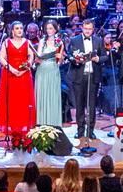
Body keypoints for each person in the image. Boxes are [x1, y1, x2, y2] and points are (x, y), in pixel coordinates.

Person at [0, 21, 37, 140]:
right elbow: (2, 58)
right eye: (17, 28)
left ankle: (23, 126)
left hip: (24, 75)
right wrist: (12, 69)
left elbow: (31, 57)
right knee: (11, 101)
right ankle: (11, 127)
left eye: (21, 28)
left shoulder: (27, 42)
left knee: (23, 101)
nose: (19, 30)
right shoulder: (6, 43)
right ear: (12, 31)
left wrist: (24, 69)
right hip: (9, 75)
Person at [68, 19, 103, 147]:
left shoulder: (98, 41)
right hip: (79, 75)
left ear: (93, 29)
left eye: (90, 29)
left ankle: (91, 130)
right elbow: (69, 55)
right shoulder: (74, 40)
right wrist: (75, 60)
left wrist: (98, 58)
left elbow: (104, 56)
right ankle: (80, 130)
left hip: (93, 76)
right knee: (79, 105)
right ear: (82, 28)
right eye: (85, 28)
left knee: (92, 105)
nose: (87, 31)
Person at [34, 18, 64, 127]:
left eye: (51, 28)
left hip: (53, 69)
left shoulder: (59, 42)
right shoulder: (42, 41)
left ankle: (53, 123)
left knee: (52, 95)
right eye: (47, 28)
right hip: (42, 70)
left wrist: (60, 58)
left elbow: (60, 61)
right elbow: (39, 56)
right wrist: (38, 58)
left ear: (55, 30)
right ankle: (40, 122)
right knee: (41, 95)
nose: (48, 31)